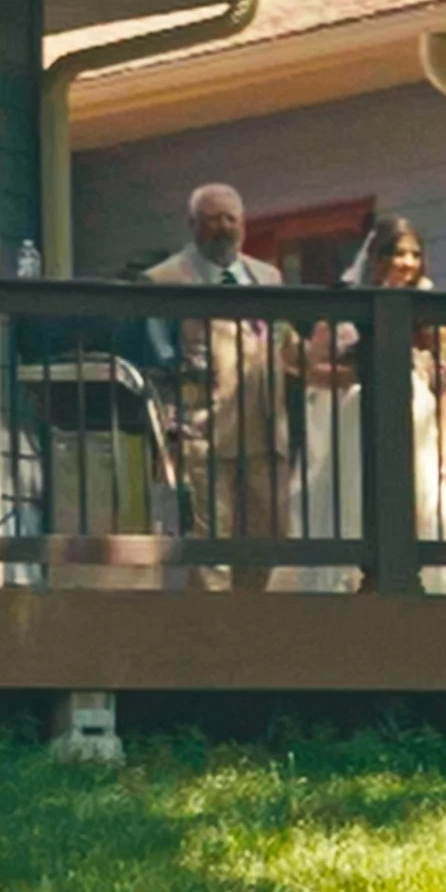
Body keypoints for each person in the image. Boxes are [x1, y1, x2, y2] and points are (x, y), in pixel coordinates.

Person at [271, 218, 446, 596]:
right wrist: (359, 373)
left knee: (428, 508)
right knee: (358, 504)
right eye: (398, 252)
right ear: (378, 258)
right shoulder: (349, 307)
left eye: (414, 254)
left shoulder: (428, 307)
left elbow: (443, 381)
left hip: (419, 426)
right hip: (357, 423)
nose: (407, 262)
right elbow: (313, 370)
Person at [141, 184, 304, 593]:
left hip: (266, 434)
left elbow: (285, 345)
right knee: (209, 550)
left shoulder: (267, 277)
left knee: (268, 542)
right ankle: (211, 642)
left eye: (231, 219)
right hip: (203, 436)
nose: (223, 227)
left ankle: (247, 634)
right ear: (192, 224)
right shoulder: (164, 280)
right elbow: (154, 364)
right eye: (212, 219)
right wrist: (169, 432)